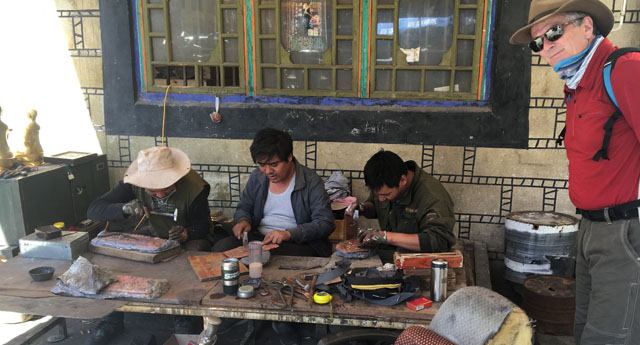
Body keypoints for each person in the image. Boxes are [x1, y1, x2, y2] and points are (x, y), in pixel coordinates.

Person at [509, 0, 640, 345]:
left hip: (635, 230)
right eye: (538, 43)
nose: (546, 47)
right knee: (586, 333)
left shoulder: (628, 70)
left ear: (586, 25)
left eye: (553, 32)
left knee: (616, 338)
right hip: (594, 229)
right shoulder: (579, 81)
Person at [86, 146, 212, 344]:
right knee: (114, 254)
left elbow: (203, 226)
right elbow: (94, 209)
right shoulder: (133, 183)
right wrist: (123, 208)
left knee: (193, 254)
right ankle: (111, 318)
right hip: (155, 234)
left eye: (166, 189)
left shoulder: (195, 187)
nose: (160, 195)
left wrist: (187, 233)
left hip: (188, 239)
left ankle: (185, 316)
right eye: (154, 191)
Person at [212, 128, 335, 257]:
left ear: (289, 157)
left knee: (266, 256)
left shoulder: (311, 181)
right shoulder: (257, 177)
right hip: (259, 238)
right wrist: (243, 221)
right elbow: (244, 207)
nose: (268, 171)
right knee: (221, 248)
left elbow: (325, 222)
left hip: (297, 243)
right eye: (262, 164)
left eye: (274, 164)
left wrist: (289, 234)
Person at [348, 150, 456, 262]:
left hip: (419, 263)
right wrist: (363, 208)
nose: (381, 199)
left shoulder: (432, 196)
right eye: (377, 195)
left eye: (386, 195)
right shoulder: (384, 182)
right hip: (391, 255)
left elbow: (439, 241)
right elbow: (378, 207)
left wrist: (384, 236)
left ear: (403, 180)